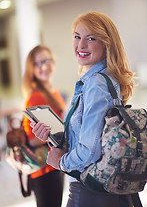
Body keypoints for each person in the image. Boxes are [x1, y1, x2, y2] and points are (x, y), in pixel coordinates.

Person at [31, 12, 134, 207]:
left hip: (89, 191)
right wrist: (54, 137)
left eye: (91, 38)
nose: (80, 45)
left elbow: (90, 150)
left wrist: (61, 162)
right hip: (109, 190)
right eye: (77, 37)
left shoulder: (95, 83)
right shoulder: (107, 79)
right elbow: (94, 136)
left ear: (106, 43)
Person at [22, 45, 66, 207]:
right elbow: (31, 139)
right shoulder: (36, 96)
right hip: (44, 169)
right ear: (31, 69)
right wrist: (59, 130)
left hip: (55, 163)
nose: (43, 67)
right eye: (37, 63)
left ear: (53, 63)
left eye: (46, 61)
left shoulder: (53, 91)